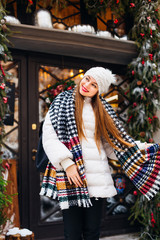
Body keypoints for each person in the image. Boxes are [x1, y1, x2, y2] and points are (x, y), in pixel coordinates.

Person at [40, 67, 160, 240]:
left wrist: (141, 148)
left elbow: (113, 146)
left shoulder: (104, 110)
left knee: (92, 233)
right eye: (87, 78)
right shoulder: (61, 101)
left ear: (99, 90)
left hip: (98, 182)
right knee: (72, 234)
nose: (87, 85)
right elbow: (50, 138)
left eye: (94, 84)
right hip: (72, 179)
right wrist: (67, 164)